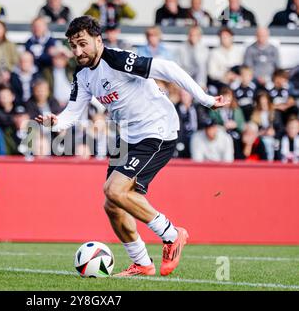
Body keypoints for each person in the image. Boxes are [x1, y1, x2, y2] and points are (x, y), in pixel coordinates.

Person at [36, 16, 229, 277]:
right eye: (73, 46)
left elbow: (168, 68)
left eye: (83, 44)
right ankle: (142, 263)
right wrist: (54, 123)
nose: (78, 51)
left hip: (157, 130)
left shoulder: (116, 60)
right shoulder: (82, 76)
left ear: (98, 40)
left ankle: (172, 235)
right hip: (127, 136)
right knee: (112, 204)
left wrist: (205, 99)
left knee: (114, 189)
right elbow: (72, 113)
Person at [175, 90, 207, 158]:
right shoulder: (176, 108)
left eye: (186, 95)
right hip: (181, 137)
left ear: (191, 96)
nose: (185, 98)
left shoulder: (197, 108)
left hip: (196, 137)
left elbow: (202, 122)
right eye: (183, 95)